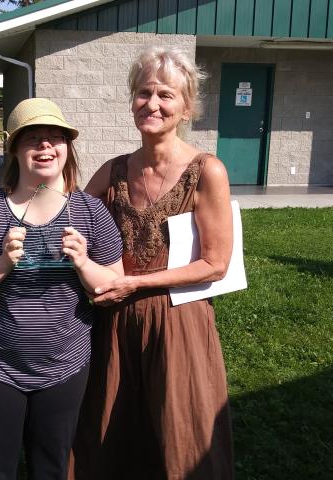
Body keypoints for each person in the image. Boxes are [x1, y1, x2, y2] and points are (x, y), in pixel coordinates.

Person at [68, 46, 235, 479]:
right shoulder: (114, 171)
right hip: (116, 323)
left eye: (166, 95)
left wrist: (138, 284)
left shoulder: (207, 171)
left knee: (181, 431)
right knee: (112, 428)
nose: (153, 104)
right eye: (144, 93)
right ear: (132, 101)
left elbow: (215, 264)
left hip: (178, 321)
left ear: (186, 107)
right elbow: (66, 219)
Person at [0, 97, 124, 480]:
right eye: (33, 139)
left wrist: (83, 262)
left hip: (65, 365)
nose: (45, 146)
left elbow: (113, 285)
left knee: (51, 465)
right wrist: (2, 263)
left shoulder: (92, 213)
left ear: (67, 148)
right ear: (14, 149)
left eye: (55, 138)